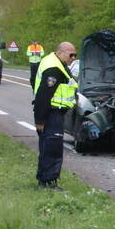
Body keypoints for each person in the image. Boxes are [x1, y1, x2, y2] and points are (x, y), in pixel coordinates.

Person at [33, 42, 78, 189]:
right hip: (52, 114)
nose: (73, 58)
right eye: (71, 55)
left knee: (48, 147)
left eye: (75, 55)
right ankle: (48, 181)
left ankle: (45, 180)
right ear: (60, 53)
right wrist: (40, 120)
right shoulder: (54, 69)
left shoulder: (54, 63)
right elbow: (43, 96)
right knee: (52, 148)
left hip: (54, 113)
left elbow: (34, 81)